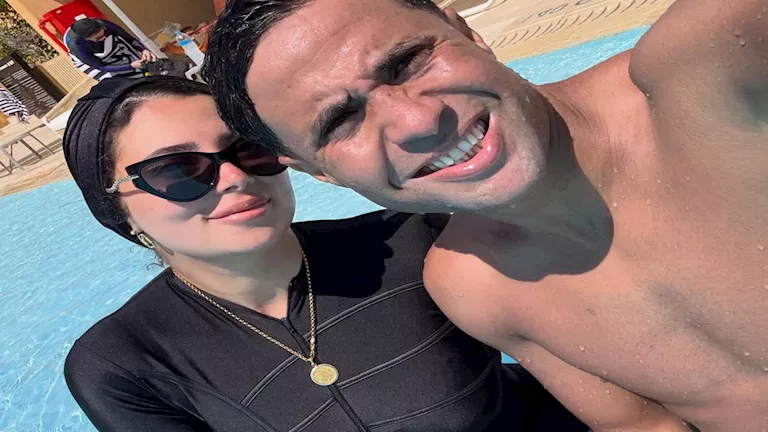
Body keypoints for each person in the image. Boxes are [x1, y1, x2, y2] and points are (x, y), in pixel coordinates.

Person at [202, 0, 768, 430]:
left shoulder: (711, 73)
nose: (418, 123)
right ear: (316, 171)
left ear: (469, 33)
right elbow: (642, 425)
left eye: (408, 62)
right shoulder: (475, 286)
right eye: (340, 120)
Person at [62, 76, 587, 431]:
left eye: (249, 148)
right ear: (118, 211)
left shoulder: (414, 240)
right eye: (177, 170)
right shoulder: (124, 363)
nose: (235, 177)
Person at [64, 17, 156, 81]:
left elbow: (129, 38)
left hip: (112, 45)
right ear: (86, 38)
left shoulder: (103, 24)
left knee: (140, 65)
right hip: (91, 57)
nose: (104, 37)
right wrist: (131, 66)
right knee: (117, 80)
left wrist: (143, 50)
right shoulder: (76, 45)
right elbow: (102, 67)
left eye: (104, 33)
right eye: (99, 38)